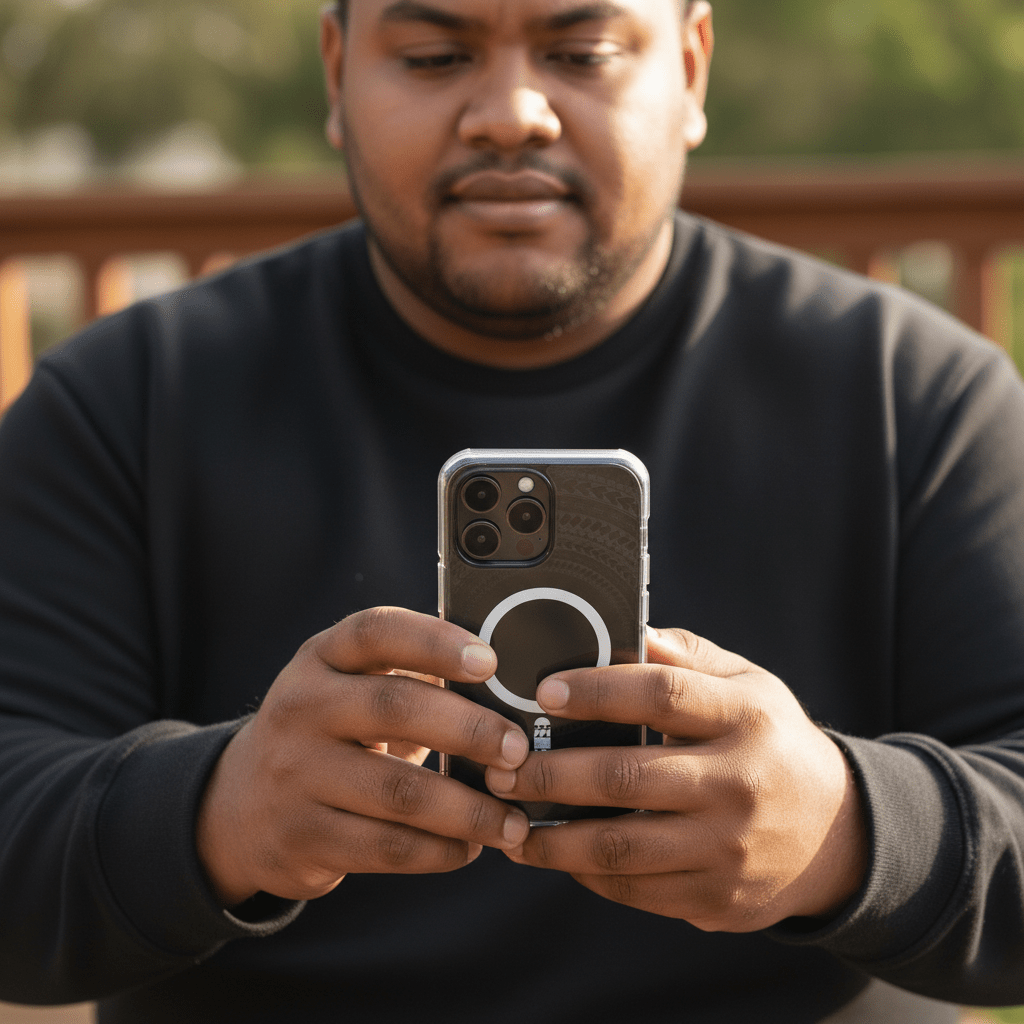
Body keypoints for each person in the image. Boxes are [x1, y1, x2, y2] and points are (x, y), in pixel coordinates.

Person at [0, 1, 1022, 1021]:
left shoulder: (914, 395)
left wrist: (847, 834)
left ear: (692, 68)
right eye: (436, 54)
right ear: (335, 72)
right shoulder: (125, 400)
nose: (512, 112)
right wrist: (219, 811)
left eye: (581, 52)